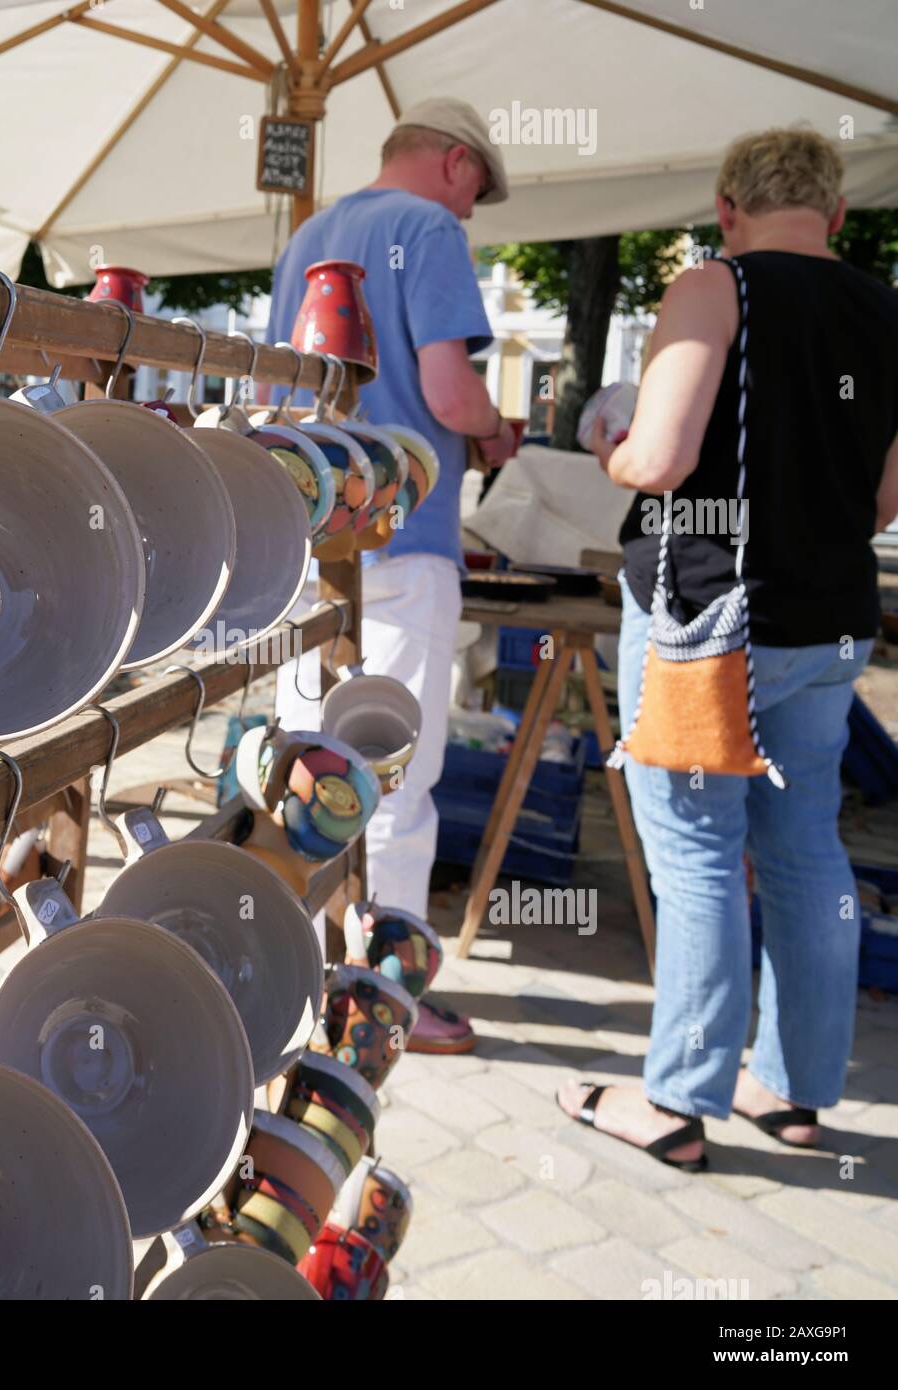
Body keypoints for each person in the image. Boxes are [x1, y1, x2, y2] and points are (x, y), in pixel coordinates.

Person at [559, 126, 898, 1167]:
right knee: (803, 849)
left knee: (698, 853)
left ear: (726, 206)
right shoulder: (888, 311)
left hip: (709, 614)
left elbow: (661, 458)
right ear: (835, 214)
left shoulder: (714, 286)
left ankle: (675, 1101)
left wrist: (609, 445)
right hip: (830, 620)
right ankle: (791, 1092)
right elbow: (885, 503)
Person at [267, 98, 520, 1053]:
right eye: (478, 193)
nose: (472, 213)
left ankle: (293, 974)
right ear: (456, 162)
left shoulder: (311, 234)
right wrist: (496, 433)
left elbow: (268, 393)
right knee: (396, 777)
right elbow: (452, 394)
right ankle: (384, 1004)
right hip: (404, 535)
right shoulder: (429, 228)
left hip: (311, 537)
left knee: (304, 766)